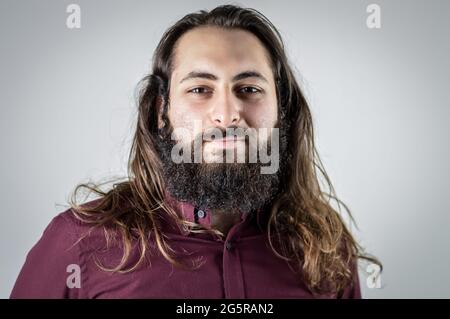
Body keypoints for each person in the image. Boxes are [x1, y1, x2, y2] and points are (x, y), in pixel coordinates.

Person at [10, 4, 379, 299]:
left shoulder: (326, 248)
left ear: (280, 111)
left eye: (249, 89)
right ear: (161, 112)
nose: (228, 113)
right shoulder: (77, 244)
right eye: (200, 89)